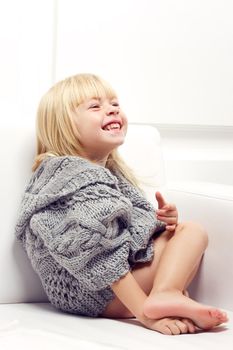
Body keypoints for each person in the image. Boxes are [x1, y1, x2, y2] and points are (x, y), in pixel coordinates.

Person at [15, 73, 228, 336]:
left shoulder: (108, 172)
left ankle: (165, 295)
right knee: (192, 231)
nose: (112, 109)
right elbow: (102, 259)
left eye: (115, 103)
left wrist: (162, 222)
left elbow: (126, 234)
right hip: (92, 290)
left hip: (112, 281)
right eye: (95, 106)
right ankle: (161, 299)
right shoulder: (71, 178)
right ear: (64, 126)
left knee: (187, 231)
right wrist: (145, 316)